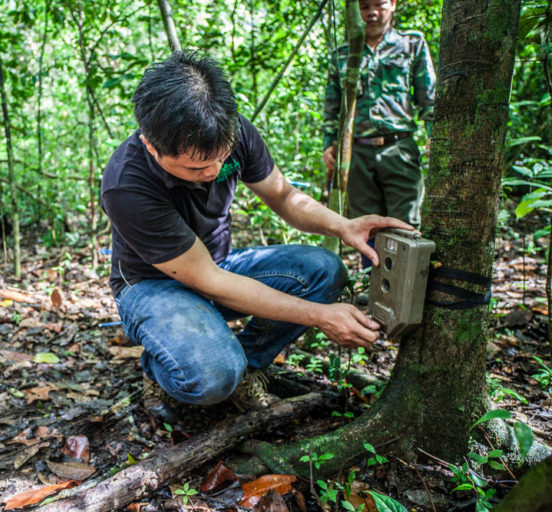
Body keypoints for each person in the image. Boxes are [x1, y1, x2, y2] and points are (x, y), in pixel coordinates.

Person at [101, 50, 412, 419]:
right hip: (152, 287)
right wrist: (321, 316)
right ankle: (160, 368)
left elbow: (283, 195)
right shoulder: (127, 184)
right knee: (212, 377)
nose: (216, 171)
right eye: (197, 167)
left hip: (219, 265)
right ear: (152, 146)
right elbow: (208, 280)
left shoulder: (232, 132)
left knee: (323, 270)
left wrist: (342, 226)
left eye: (223, 157)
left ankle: (246, 366)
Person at [322, 0, 436, 265]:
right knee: (366, 227)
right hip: (357, 151)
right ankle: (373, 291)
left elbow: (427, 96)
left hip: (399, 148)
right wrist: (329, 143)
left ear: (393, 5)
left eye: (378, 4)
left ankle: (404, 296)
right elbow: (332, 104)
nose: (371, 12)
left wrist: (433, 133)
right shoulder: (344, 54)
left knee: (404, 224)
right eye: (364, 6)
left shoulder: (411, 43)